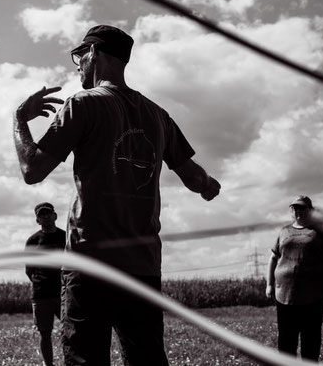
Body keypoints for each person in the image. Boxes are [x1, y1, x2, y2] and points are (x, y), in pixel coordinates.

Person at [13, 25, 221, 366]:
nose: (78, 65)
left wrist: (20, 119)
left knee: (85, 359)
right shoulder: (158, 115)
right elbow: (196, 177)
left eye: (80, 56)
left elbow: (32, 170)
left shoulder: (82, 104)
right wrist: (209, 185)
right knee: (147, 359)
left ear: (94, 54)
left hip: (90, 264)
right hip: (142, 267)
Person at [266, 195, 323, 361]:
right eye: (295, 208)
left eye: (302, 208)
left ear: (311, 211)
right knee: (286, 340)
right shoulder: (284, 231)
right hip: (284, 295)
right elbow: (273, 258)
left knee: (311, 339)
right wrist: (269, 285)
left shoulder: (321, 231)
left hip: (314, 296)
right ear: (292, 211)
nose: (298, 211)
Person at [25, 202, 66, 366]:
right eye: (42, 215)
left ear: (55, 216)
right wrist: (40, 282)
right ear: (37, 220)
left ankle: (71, 361)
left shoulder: (65, 236)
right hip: (41, 295)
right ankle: (49, 364)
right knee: (45, 333)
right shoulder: (33, 240)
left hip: (63, 293)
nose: (46, 216)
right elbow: (29, 269)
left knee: (71, 331)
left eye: (48, 213)